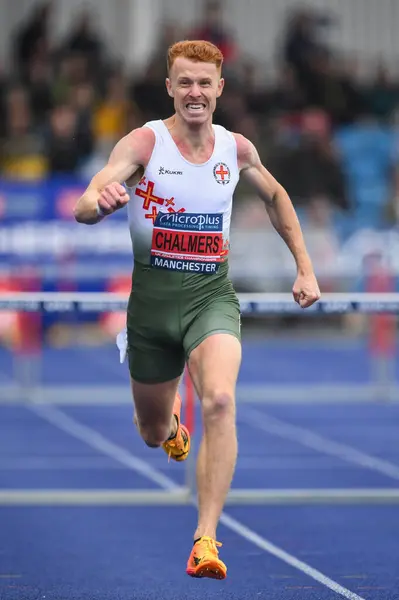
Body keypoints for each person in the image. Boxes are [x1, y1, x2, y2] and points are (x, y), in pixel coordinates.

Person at [73, 39, 321, 580]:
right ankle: (171, 429)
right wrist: (102, 204)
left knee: (222, 399)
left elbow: (277, 198)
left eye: (204, 83)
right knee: (150, 431)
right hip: (152, 311)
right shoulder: (145, 142)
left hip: (211, 299)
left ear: (220, 89)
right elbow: (86, 201)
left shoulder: (236, 149)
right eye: (184, 82)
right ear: (169, 87)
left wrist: (304, 266)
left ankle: (205, 539)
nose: (194, 93)